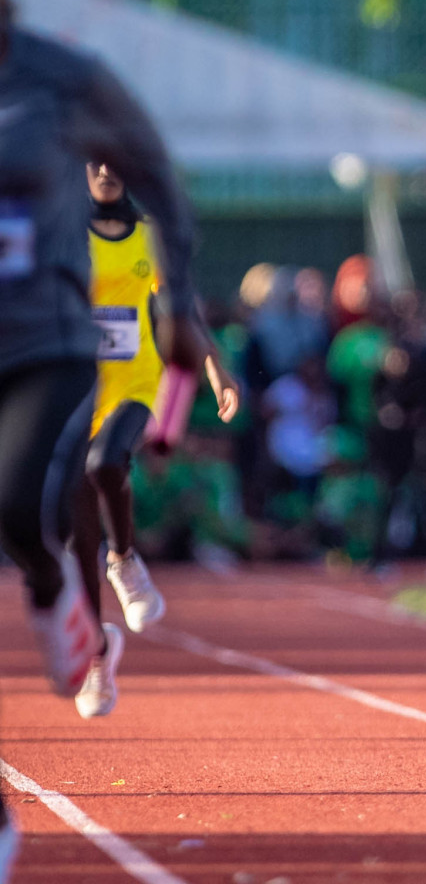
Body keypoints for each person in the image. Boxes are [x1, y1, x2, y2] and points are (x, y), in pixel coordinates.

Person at [0, 0, 203, 877]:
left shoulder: (64, 80)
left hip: (61, 349)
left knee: (48, 490)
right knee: (42, 502)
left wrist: (191, 321)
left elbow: (160, 176)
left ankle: (78, 583)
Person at [70, 161, 240, 719]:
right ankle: (97, 653)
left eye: (114, 161)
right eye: (92, 161)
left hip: (137, 382)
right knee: (74, 529)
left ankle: (124, 560)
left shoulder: (148, 237)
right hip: (74, 387)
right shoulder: (64, 230)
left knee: (104, 464)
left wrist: (215, 368)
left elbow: (182, 308)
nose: (104, 170)